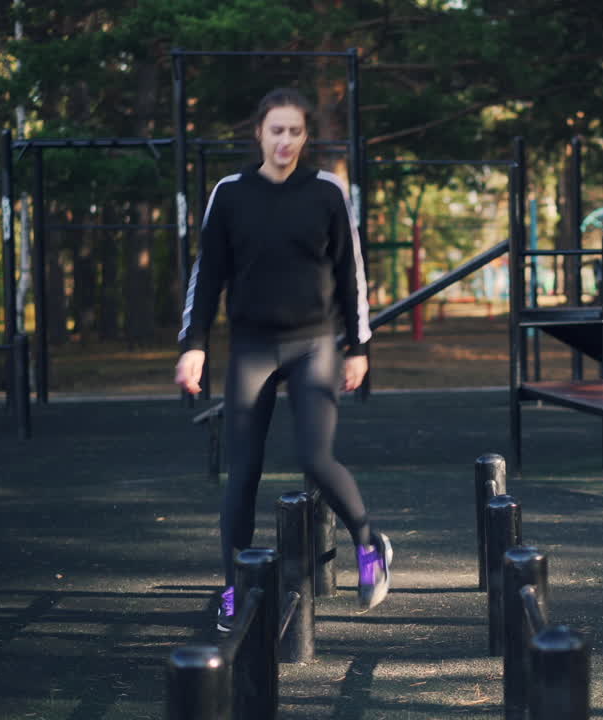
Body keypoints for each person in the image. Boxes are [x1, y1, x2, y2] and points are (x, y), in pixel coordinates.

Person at [174, 88, 389, 632]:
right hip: (250, 347)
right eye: (277, 131)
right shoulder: (230, 193)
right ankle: (234, 587)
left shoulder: (326, 191)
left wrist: (359, 347)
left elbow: (351, 273)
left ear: (306, 136)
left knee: (316, 459)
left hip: (314, 344)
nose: (286, 141)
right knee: (242, 471)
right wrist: (194, 343)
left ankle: (369, 545)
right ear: (259, 134)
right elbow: (209, 274)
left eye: (295, 131)